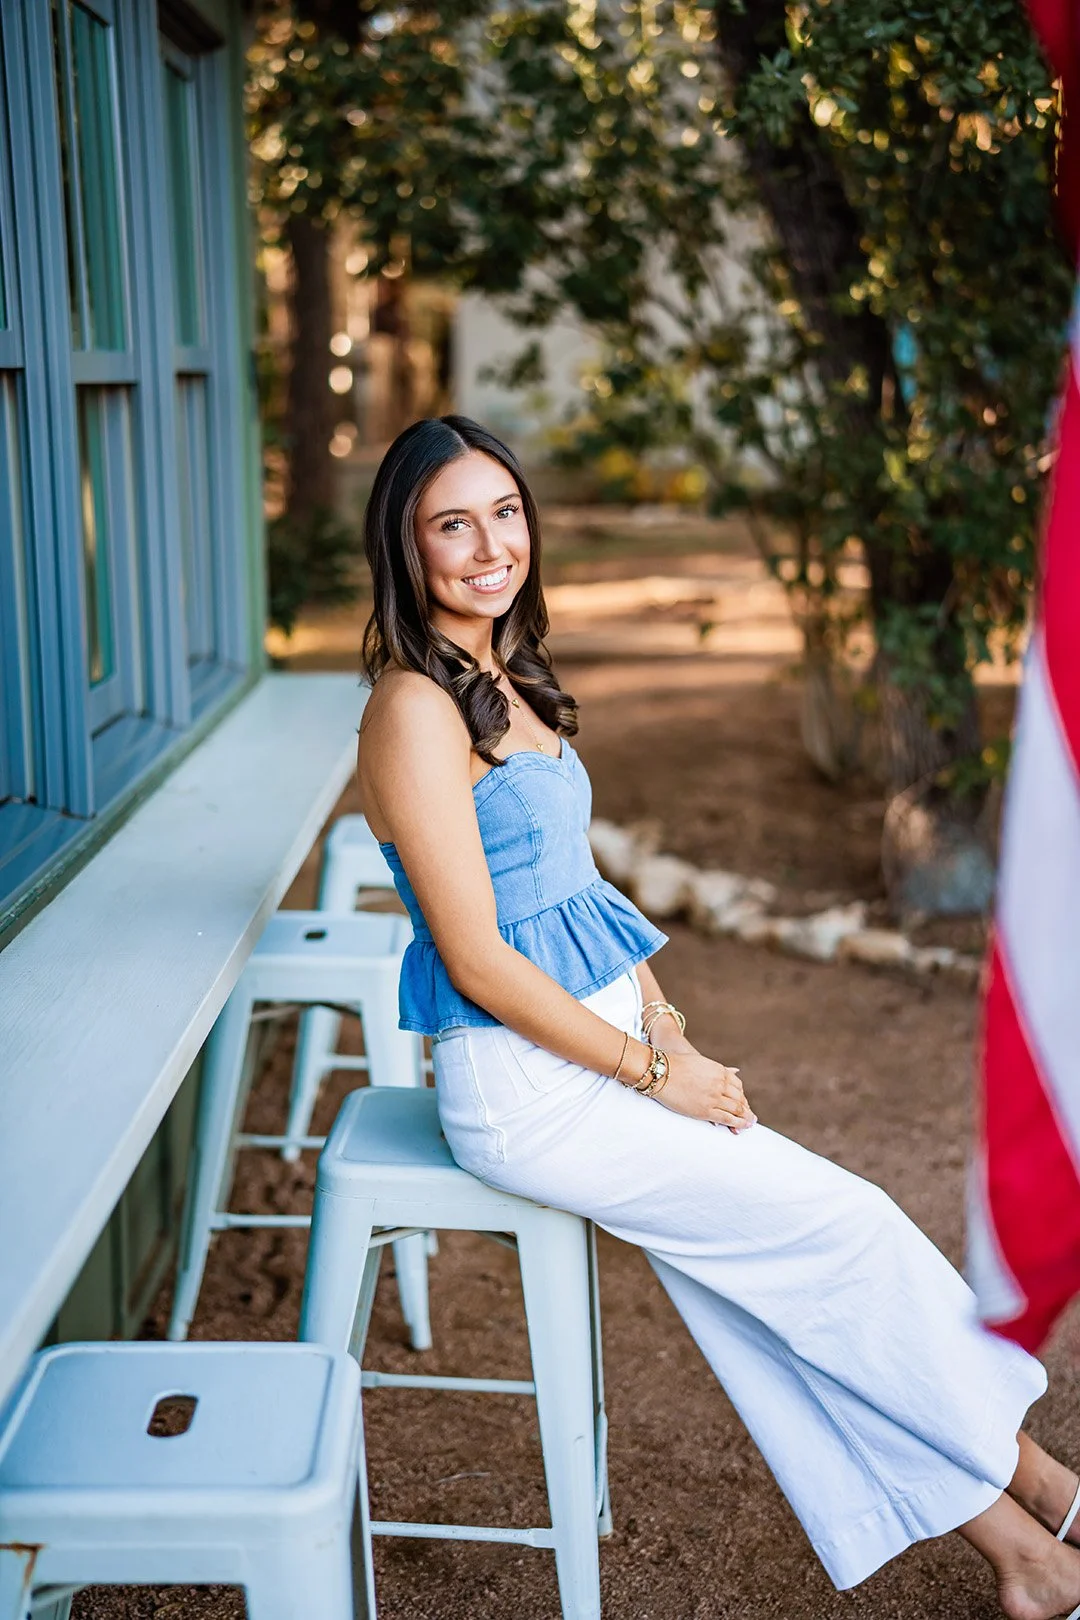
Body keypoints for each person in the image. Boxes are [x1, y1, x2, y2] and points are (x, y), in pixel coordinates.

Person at [356, 414, 1080, 1620]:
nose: (490, 546)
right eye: (452, 524)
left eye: (506, 513)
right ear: (407, 542)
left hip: (599, 1054)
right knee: (847, 1231)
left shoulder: (500, 677)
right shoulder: (413, 709)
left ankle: (1028, 1562)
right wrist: (652, 1074)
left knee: (785, 1290)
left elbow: (579, 895)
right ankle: (1052, 1490)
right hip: (526, 1088)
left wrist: (670, 1025)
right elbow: (479, 960)